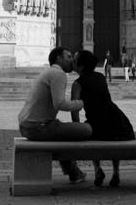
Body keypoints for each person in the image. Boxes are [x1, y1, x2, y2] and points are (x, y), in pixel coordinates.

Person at [18, 47, 91, 184]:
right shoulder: (58, 74)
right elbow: (60, 104)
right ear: (59, 58)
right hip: (38, 127)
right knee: (87, 129)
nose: (72, 61)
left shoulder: (48, 72)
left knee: (64, 133)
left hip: (28, 125)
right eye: (69, 57)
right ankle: (74, 172)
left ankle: (74, 172)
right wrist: (81, 103)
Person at [71, 50, 135, 188]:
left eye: (75, 61)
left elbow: (75, 110)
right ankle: (116, 172)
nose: (72, 62)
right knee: (115, 140)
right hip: (117, 117)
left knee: (92, 137)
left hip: (96, 120)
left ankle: (97, 169)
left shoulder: (77, 84)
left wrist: (76, 127)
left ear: (81, 66)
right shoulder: (100, 76)